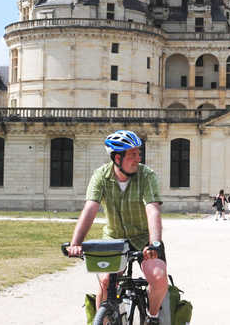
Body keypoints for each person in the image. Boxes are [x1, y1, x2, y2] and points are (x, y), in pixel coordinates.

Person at [67, 130, 168, 324]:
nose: (139, 158)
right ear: (117, 158)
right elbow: (90, 208)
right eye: (133, 154)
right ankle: (104, 320)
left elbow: (152, 209)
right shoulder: (101, 176)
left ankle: (152, 316)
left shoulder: (147, 176)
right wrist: (75, 243)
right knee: (106, 282)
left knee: (158, 276)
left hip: (143, 239)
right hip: (113, 240)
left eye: (139, 153)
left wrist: (154, 243)